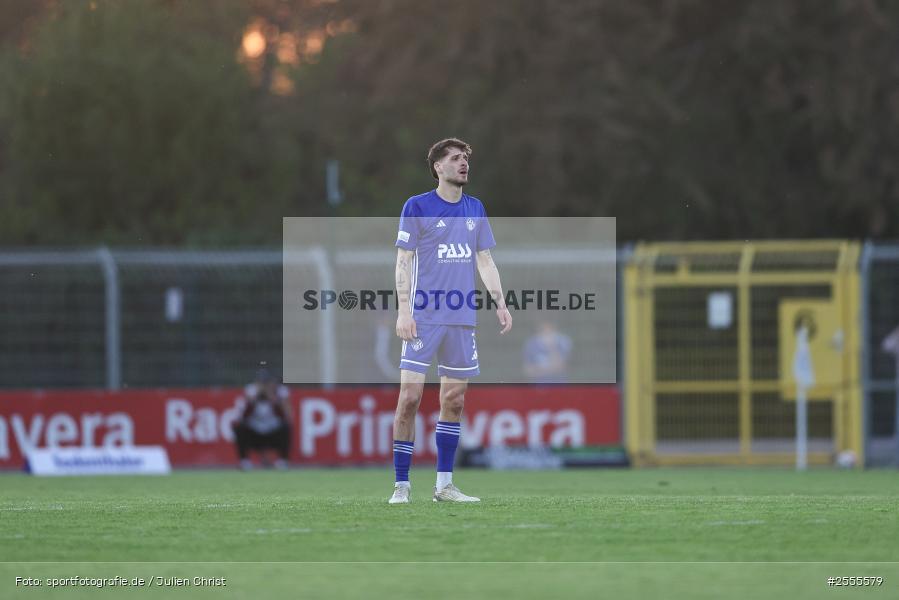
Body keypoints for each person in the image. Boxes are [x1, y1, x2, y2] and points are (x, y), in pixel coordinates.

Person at [388, 138, 512, 504]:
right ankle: (401, 485)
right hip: (424, 318)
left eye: (466, 159)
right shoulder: (417, 206)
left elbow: (485, 260)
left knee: (454, 400)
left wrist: (500, 303)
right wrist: (404, 310)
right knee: (409, 398)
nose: (464, 164)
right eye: (456, 159)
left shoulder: (475, 209)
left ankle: (444, 486)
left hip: (461, 319)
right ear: (438, 167)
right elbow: (403, 260)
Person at [232, 368, 292, 470]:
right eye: (261, 383)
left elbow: (287, 416)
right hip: (255, 433)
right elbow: (242, 416)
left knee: (286, 427)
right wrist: (254, 399)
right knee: (239, 428)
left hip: (273, 432)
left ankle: (283, 461)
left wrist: (274, 400)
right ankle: (244, 462)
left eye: (266, 382)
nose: (264, 386)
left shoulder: (279, 392)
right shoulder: (251, 391)